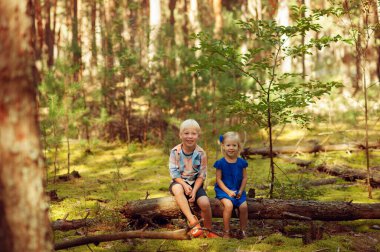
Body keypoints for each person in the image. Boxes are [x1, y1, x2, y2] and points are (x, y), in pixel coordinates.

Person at [169, 119, 219, 238]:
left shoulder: (201, 153)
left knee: (205, 203)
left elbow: (201, 175)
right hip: (179, 182)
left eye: (193, 133)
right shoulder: (175, 152)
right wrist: (185, 185)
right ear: (180, 135)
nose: (190, 137)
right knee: (177, 189)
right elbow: (174, 173)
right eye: (186, 133)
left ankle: (208, 230)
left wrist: (195, 190)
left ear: (198, 135)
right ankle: (193, 221)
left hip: (195, 184)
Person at [214, 132, 248, 239]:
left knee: (243, 207)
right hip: (224, 190)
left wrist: (241, 191)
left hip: (238, 190)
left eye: (234, 145)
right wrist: (228, 192)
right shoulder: (220, 163)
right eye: (228, 145)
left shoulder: (241, 162)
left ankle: (242, 231)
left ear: (238, 147)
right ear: (223, 146)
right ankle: (226, 231)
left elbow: (244, 177)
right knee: (228, 206)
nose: (231, 148)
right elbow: (218, 179)